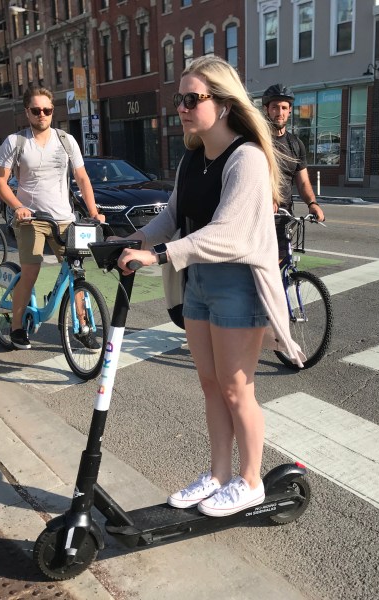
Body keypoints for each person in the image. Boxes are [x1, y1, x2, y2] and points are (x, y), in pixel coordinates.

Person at [116, 56, 305, 518]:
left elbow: (229, 234)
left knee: (238, 388)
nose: (181, 107)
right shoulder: (194, 157)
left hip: (238, 282)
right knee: (210, 384)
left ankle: (251, 480)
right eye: (179, 99)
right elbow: (173, 216)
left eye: (191, 98)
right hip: (197, 280)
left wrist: (157, 256)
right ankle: (219, 475)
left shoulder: (248, 157)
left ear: (222, 104)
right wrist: (132, 240)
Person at [0, 86, 103, 350]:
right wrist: (18, 206)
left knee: (76, 272)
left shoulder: (66, 140)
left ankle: (83, 326)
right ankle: (17, 326)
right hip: (30, 218)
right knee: (31, 271)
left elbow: (82, 178)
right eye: (36, 110)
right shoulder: (15, 142)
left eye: (47, 110)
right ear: (27, 112)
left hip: (64, 219)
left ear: (53, 111)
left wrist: (93, 211)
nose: (42, 114)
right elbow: (0, 181)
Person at [262, 84, 325, 222]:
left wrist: (312, 203)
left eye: (284, 108)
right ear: (266, 109)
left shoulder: (296, 144)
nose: (280, 112)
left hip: (285, 216)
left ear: (290, 110)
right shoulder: (257, 141)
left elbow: (302, 182)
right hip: (260, 216)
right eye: (275, 107)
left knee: (287, 244)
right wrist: (266, 198)